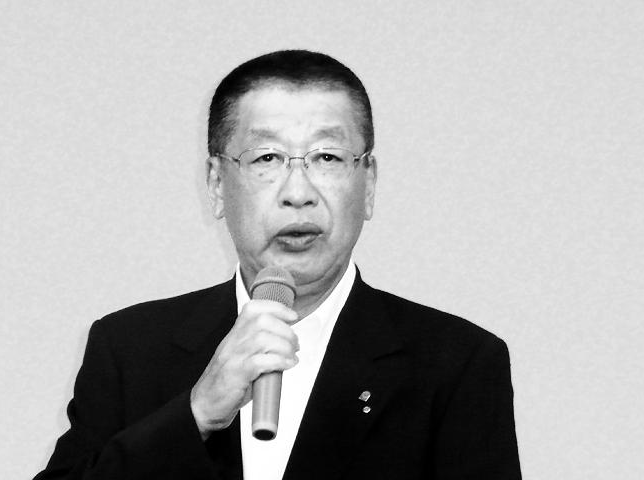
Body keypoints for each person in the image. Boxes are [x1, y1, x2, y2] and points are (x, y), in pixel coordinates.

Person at [35, 49, 521, 480]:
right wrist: (195, 413)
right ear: (216, 184)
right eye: (267, 157)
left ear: (369, 183)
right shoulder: (130, 349)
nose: (298, 193)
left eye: (327, 157)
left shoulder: (457, 364)